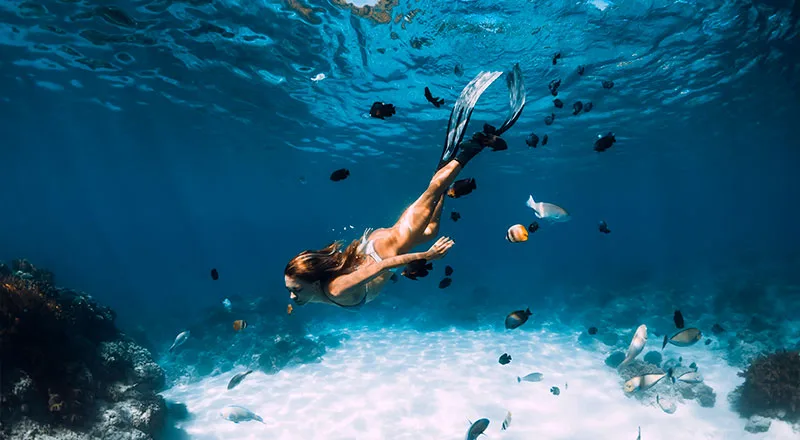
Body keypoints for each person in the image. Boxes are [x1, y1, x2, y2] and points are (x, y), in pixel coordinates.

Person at [284, 67, 525, 309]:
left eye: (295, 290)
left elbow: (381, 266)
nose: (292, 296)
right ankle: (444, 173)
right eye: (292, 291)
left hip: (385, 250)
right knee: (431, 228)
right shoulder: (322, 289)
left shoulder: (336, 289)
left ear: (314, 283)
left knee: (430, 195)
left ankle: (473, 147)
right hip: (374, 246)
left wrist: (427, 257)